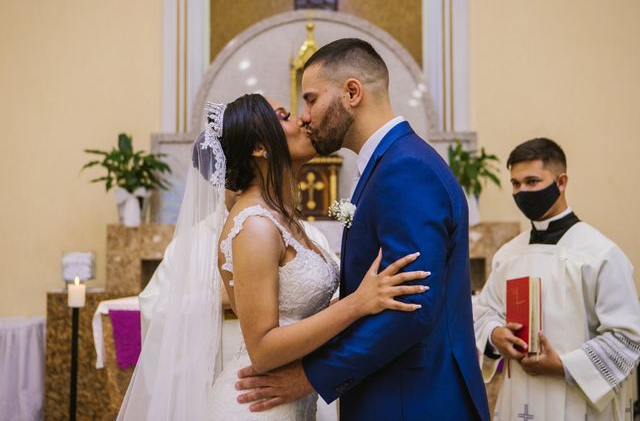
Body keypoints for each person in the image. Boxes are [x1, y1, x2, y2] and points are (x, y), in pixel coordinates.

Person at [118, 93, 428, 420]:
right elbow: (263, 352)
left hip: (290, 402)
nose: (301, 120)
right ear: (259, 148)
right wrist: (357, 303)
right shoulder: (253, 225)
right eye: (284, 116)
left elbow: (302, 314)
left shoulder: (283, 220)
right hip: (254, 407)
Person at [236, 39, 490, 420]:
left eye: (311, 99)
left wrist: (309, 377)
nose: (305, 116)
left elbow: (412, 306)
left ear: (352, 92)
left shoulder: (405, 169)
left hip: (414, 401)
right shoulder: (390, 162)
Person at [473, 138, 640, 420]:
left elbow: (627, 338)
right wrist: (495, 334)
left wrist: (564, 365)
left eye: (532, 181)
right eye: (516, 184)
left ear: (561, 182)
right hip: (519, 399)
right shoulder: (508, 255)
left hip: (578, 402)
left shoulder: (600, 254)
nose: (522, 191)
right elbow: (483, 312)